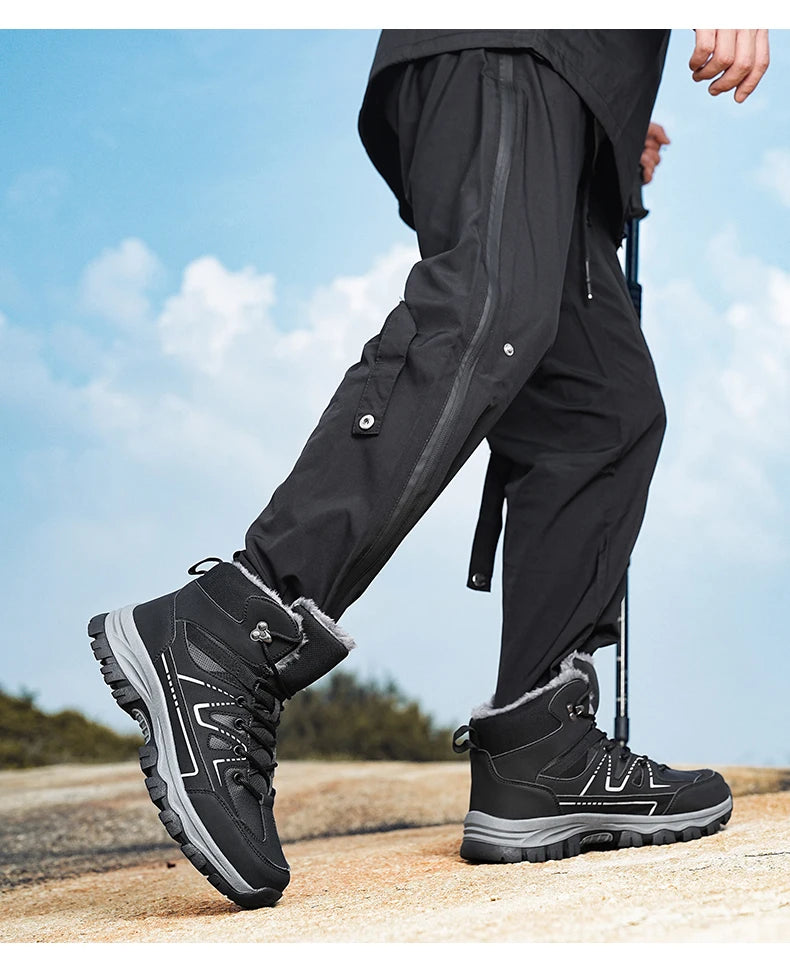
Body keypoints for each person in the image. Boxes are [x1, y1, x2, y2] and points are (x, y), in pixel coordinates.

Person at [87, 29, 770, 908]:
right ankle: (228, 629)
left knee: (602, 411)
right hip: (512, 39)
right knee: (487, 311)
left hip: (570, 80)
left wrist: (606, 107)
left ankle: (541, 749)